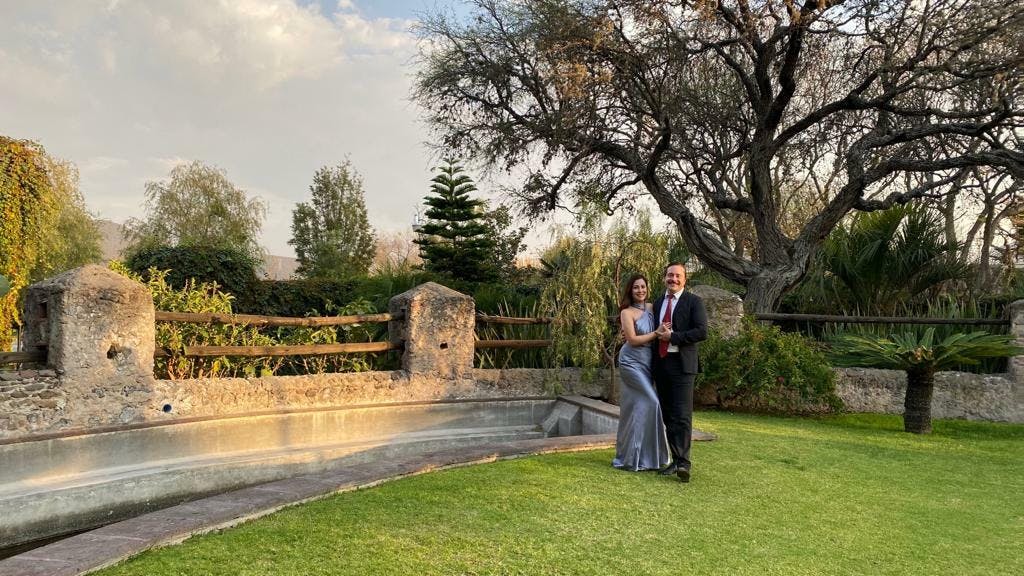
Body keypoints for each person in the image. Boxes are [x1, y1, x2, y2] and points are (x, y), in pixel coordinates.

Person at [651, 262, 707, 482]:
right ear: (664, 277)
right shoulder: (658, 302)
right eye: (670, 275)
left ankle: (684, 463)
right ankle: (675, 460)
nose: (673, 279)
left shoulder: (694, 302)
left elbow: (701, 332)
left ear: (685, 279)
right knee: (667, 415)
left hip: (682, 365)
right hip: (661, 364)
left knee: (682, 415)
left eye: (677, 276)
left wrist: (673, 337)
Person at [612, 274, 671, 471]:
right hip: (630, 362)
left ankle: (644, 458)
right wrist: (656, 333)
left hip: (648, 363)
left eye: (643, 287)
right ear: (630, 290)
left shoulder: (653, 307)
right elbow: (632, 339)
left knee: (637, 408)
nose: (640, 290)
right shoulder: (626, 312)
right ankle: (636, 457)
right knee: (652, 402)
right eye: (636, 287)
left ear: (647, 288)